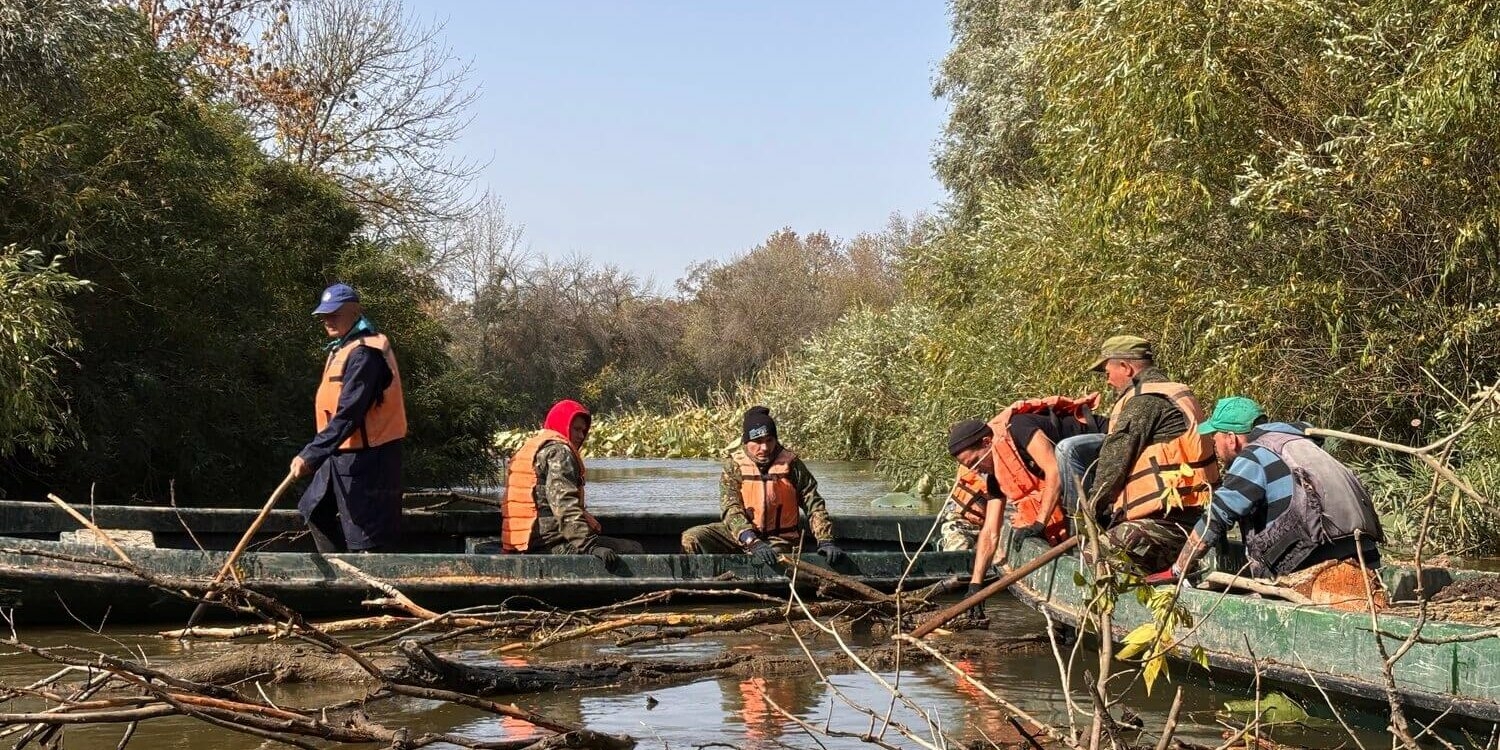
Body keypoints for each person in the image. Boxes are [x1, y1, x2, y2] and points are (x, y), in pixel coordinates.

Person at [1151, 397, 1383, 583]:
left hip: (1315, 567)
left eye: (1216, 437)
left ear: (1231, 439)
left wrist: (1178, 569)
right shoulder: (1303, 445)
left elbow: (1216, 518)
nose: (1214, 444)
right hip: (1367, 560)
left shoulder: (1254, 455)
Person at [1055, 335, 1219, 573]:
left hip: (1167, 525)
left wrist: (1092, 515)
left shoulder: (1144, 401)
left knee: (1092, 557)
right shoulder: (1172, 392)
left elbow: (1114, 463)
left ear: (1126, 367)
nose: (1108, 380)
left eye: (1107, 371)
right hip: (1192, 520)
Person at [942, 394, 1104, 617]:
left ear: (988, 443)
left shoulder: (1019, 427)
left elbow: (1054, 470)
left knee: (1065, 457)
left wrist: (1039, 523)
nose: (977, 471)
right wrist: (976, 586)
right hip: (1077, 480)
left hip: (1098, 450)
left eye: (976, 463)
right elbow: (990, 532)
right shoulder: (994, 474)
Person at [290, 283, 406, 553]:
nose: (327, 321)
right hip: (340, 454)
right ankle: (341, 576)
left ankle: (366, 587)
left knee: (366, 540)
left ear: (354, 313)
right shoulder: (343, 348)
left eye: (335, 314)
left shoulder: (366, 354)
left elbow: (349, 413)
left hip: (370, 461)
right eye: (324, 316)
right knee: (314, 509)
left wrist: (311, 454)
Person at [681, 406, 847, 567]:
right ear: (746, 442)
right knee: (691, 537)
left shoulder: (792, 464)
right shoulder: (734, 466)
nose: (765, 448)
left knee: (772, 558)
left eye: (769, 440)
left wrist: (825, 540)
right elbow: (730, 508)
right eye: (758, 442)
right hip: (742, 535)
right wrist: (750, 539)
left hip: (780, 539)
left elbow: (814, 504)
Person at [502, 399, 645, 569]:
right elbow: (564, 504)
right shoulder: (559, 452)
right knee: (635, 549)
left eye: (584, 431)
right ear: (562, 425)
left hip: (521, 545)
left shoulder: (532, 447)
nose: (580, 436)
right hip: (550, 546)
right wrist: (590, 546)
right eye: (576, 429)